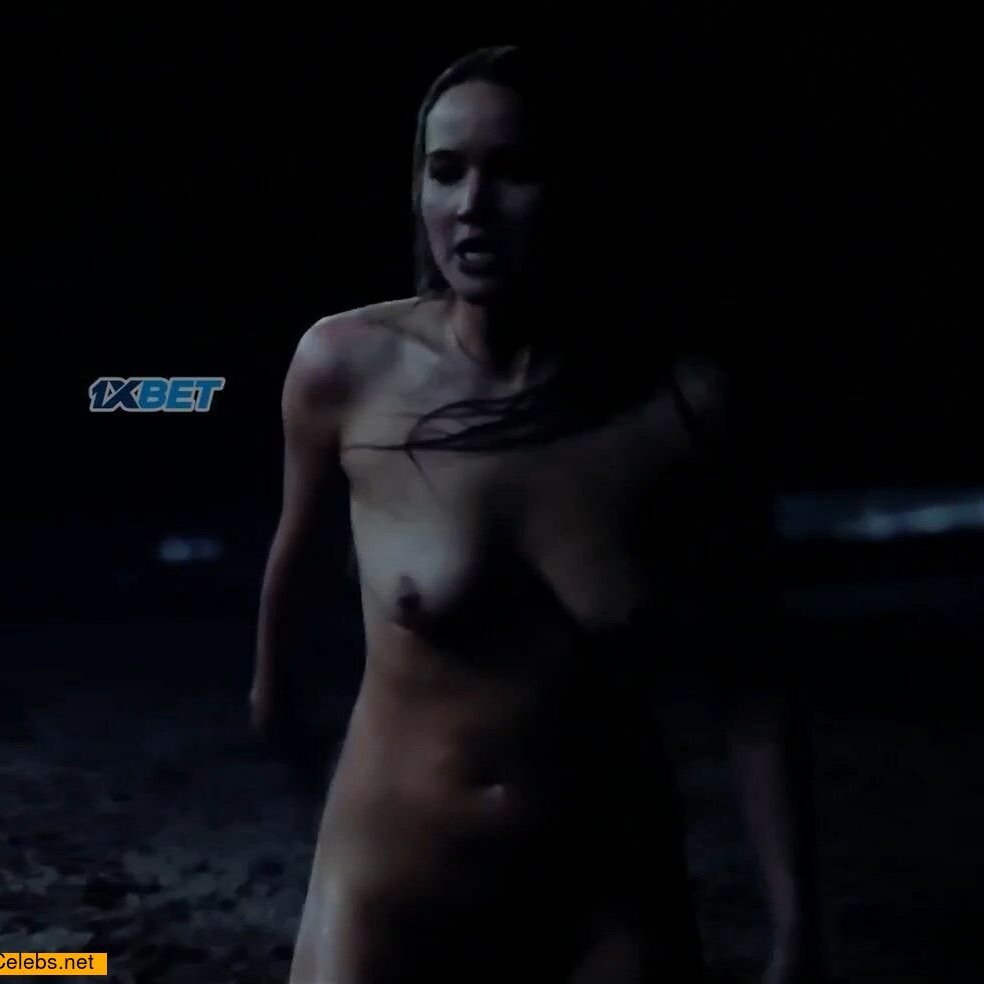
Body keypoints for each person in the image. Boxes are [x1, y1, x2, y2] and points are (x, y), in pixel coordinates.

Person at [251, 46, 825, 983]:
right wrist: (304, 754)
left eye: (512, 170)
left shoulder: (683, 411)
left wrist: (797, 929)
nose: (472, 204)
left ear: (580, 188)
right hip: (393, 894)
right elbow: (292, 601)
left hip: (606, 902)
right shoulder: (346, 370)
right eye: (446, 171)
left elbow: (754, 690)